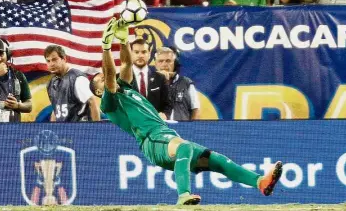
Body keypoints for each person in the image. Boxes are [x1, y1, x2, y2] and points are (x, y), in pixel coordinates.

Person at [91, 18, 283, 205]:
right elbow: (109, 76)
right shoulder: (108, 103)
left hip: (163, 134)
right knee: (185, 148)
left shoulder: (125, 87)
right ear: (99, 91)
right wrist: (106, 46)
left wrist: (124, 40)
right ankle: (183, 196)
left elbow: (125, 64)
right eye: (98, 79)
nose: (104, 76)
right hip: (152, 140)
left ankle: (260, 182)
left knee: (217, 161)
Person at [44, 45, 100, 122]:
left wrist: (96, 129)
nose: (51, 64)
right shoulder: (51, 84)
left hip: (80, 130)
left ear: (64, 59)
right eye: (48, 61)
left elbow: (92, 102)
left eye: (54, 60)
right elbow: (55, 110)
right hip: (63, 131)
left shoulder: (78, 78)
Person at [129, 38, 171, 120]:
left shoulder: (160, 78)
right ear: (131, 54)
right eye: (136, 52)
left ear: (149, 54)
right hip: (129, 127)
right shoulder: (121, 79)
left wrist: (165, 115)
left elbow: (168, 104)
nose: (140, 55)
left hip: (155, 126)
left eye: (144, 52)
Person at [155, 47, 200, 121]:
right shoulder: (149, 83)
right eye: (160, 61)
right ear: (156, 64)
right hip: (158, 130)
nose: (164, 64)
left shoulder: (186, 83)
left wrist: (192, 128)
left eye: (168, 61)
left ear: (175, 63)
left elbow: (196, 109)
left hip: (183, 130)